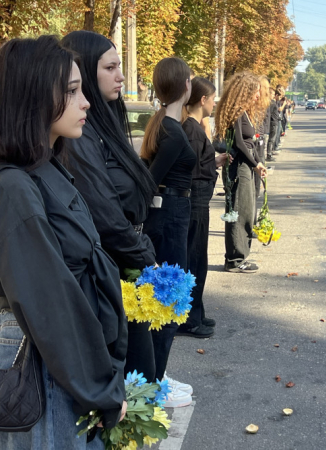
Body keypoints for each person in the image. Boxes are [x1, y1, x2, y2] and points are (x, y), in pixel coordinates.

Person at [0, 36, 127, 449]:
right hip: (52, 379)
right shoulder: (15, 189)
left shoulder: (44, 170)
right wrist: (100, 389)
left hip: (67, 375)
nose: (87, 103)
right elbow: (51, 307)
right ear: (34, 98)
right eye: (72, 92)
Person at [60, 31, 157, 383]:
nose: (121, 76)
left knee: (141, 371)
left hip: (124, 261)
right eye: (111, 67)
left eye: (120, 66)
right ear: (86, 71)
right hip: (111, 269)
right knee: (132, 376)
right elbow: (104, 215)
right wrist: (147, 258)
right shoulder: (80, 135)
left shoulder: (104, 124)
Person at [141, 57, 195, 403]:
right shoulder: (172, 132)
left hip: (171, 215)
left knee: (164, 297)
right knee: (169, 299)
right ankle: (154, 383)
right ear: (185, 85)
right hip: (170, 217)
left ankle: (156, 374)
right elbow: (148, 181)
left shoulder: (163, 123)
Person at [177, 77, 226, 339]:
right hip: (195, 203)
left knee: (198, 261)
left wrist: (214, 162)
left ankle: (196, 311)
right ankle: (190, 319)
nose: (215, 103)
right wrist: (212, 164)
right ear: (203, 100)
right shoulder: (193, 130)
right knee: (194, 261)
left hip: (197, 202)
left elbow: (198, 166)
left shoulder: (194, 128)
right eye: (213, 98)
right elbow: (194, 173)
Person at [215, 71, 267, 273]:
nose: (257, 96)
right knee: (240, 212)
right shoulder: (237, 111)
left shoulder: (244, 111)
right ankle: (236, 259)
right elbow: (240, 144)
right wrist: (256, 164)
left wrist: (256, 163)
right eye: (255, 92)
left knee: (244, 211)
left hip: (246, 166)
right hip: (239, 167)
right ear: (244, 92)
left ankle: (239, 256)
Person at [266, 87, 280, 161]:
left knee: (272, 139)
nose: (273, 96)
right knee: (271, 139)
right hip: (273, 123)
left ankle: (269, 153)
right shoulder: (271, 103)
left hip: (274, 122)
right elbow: (269, 113)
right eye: (273, 94)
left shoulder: (272, 102)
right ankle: (269, 154)